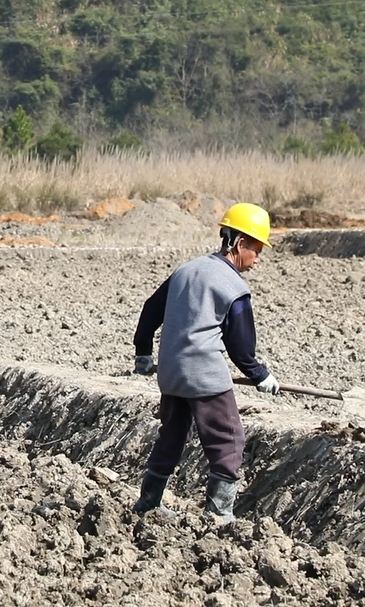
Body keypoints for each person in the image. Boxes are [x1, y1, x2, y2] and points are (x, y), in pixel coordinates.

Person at [130, 202, 279, 524]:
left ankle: (148, 503)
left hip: (171, 373)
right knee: (228, 439)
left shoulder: (186, 270)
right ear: (240, 244)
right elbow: (240, 346)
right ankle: (219, 515)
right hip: (204, 375)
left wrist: (144, 353)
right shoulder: (234, 286)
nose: (258, 259)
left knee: (172, 434)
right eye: (257, 249)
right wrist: (260, 375)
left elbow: (150, 310)